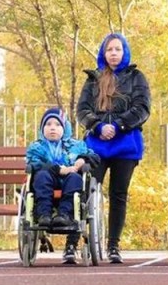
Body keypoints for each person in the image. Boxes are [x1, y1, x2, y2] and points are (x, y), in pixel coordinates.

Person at [76, 33, 151, 264]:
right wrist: (98, 126)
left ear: (124, 52)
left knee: (119, 195)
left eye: (118, 49)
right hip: (97, 144)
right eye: (109, 50)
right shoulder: (93, 79)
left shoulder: (136, 77)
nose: (114, 53)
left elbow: (142, 108)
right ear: (103, 53)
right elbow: (82, 110)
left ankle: (113, 246)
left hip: (125, 143)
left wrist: (118, 125)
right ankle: (75, 242)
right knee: (86, 191)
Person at [26, 108, 96, 265]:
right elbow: (34, 164)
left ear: (65, 128)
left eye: (57, 124)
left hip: (69, 183)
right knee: (41, 176)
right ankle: (44, 215)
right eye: (48, 124)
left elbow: (94, 157)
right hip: (47, 183)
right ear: (42, 128)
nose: (52, 128)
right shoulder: (37, 147)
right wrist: (58, 169)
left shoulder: (76, 145)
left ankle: (64, 215)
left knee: (75, 178)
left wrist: (83, 160)